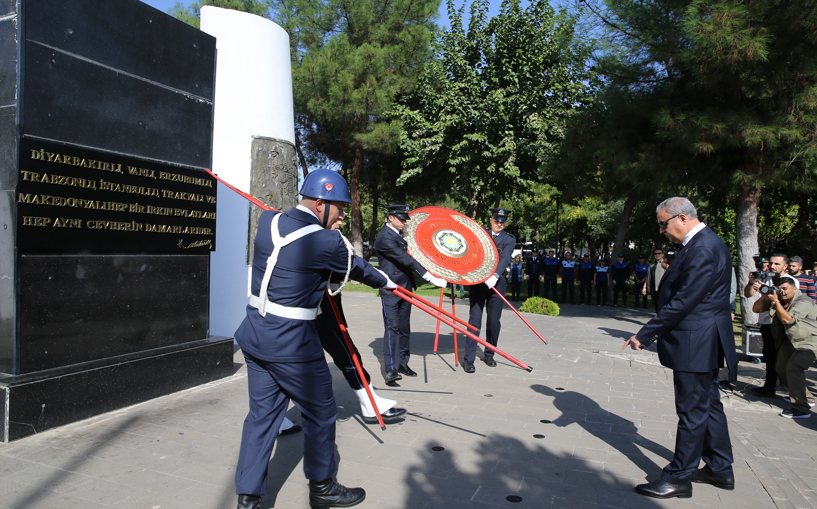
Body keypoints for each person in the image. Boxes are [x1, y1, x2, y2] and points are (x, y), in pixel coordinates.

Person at [233, 169, 395, 509]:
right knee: (322, 412)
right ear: (320, 203)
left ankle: (247, 499)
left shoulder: (268, 221)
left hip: (254, 335)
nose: (341, 217)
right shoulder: (327, 242)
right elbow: (358, 269)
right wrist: (387, 283)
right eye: (338, 208)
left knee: (262, 417)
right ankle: (323, 488)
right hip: (291, 344)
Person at [623, 197, 735, 500]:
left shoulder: (702, 248)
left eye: (664, 224)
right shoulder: (704, 244)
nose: (662, 231)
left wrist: (645, 334)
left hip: (696, 340)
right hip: (701, 338)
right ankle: (720, 468)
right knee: (709, 404)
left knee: (692, 410)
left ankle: (679, 477)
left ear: (682, 218)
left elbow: (685, 300)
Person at [374, 204, 447, 386]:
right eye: (401, 218)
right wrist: (429, 276)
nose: (405, 221)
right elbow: (405, 259)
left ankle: (402, 363)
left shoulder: (399, 235)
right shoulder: (385, 238)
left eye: (405, 218)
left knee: (405, 328)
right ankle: (391, 369)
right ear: (390, 217)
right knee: (393, 328)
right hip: (391, 290)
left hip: (405, 287)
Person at [752, 275, 817, 418]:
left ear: (795, 288)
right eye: (779, 289)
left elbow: (787, 319)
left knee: (793, 368)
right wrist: (763, 297)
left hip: (809, 340)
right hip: (791, 340)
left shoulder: (804, 301)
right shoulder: (778, 299)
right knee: (780, 368)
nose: (782, 292)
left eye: (785, 289)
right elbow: (755, 310)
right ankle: (807, 398)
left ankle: (802, 408)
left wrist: (776, 302)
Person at [463, 208, 515, 373]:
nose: (500, 224)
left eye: (503, 221)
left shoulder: (509, 239)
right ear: (491, 220)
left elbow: (505, 257)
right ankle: (469, 359)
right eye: (497, 220)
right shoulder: (481, 233)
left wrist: (495, 275)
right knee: (474, 321)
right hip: (478, 284)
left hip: (496, 285)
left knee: (493, 322)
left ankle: (489, 353)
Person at [745, 253, 789, 398]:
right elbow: (748, 294)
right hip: (765, 321)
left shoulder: (790, 281)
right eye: (771, 263)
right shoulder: (764, 277)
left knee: (782, 357)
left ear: (785, 266)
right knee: (769, 355)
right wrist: (752, 283)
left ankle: (785, 385)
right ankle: (769, 387)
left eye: (777, 264)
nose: (773, 266)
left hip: (781, 324)